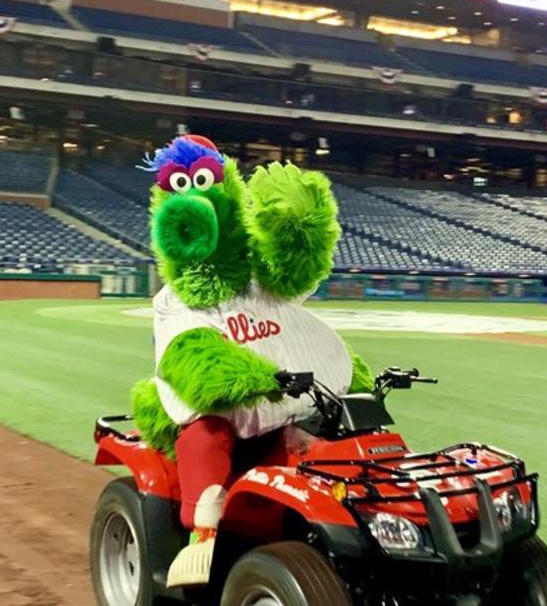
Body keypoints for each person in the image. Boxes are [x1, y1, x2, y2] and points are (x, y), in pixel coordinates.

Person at [127, 135, 373, 586]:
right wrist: (258, 377)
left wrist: (296, 225)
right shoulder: (173, 302)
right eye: (178, 188)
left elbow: (295, 279)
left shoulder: (261, 280)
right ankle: (205, 535)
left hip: (281, 413)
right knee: (205, 432)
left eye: (202, 183)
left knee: (341, 436)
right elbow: (192, 358)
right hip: (229, 416)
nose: (193, 202)